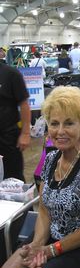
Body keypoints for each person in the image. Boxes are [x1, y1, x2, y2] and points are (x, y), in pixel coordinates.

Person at [0, 86, 80, 268]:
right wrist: (37, 244)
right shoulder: (50, 159)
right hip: (51, 236)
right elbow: (45, 209)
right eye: (54, 123)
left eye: (68, 123)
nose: (60, 131)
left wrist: (51, 250)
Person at [0, 47, 31, 181]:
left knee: (13, 178)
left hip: (7, 137)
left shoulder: (10, 74)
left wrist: (25, 133)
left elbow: (23, 104)